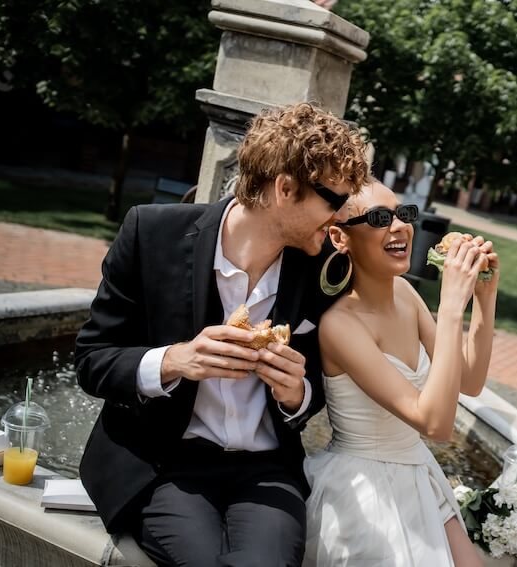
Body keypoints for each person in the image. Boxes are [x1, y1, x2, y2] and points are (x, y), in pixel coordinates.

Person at [75, 102, 370, 567]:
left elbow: (311, 393)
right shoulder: (152, 234)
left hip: (266, 471)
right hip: (165, 464)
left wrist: (296, 392)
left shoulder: (322, 269)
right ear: (285, 188)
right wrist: (175, 360)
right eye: (334, 200)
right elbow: (92, 360)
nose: (342, 216)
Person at [303, 181, 500, 566]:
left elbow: (470, 382)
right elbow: (436, 425)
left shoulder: (407, 295)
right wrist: (450, 305)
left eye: (403, 214)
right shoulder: (340, 326)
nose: (399, 226)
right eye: (379, 218)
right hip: (367, 493)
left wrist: (483, 296)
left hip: (419, 477)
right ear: (339, 237)